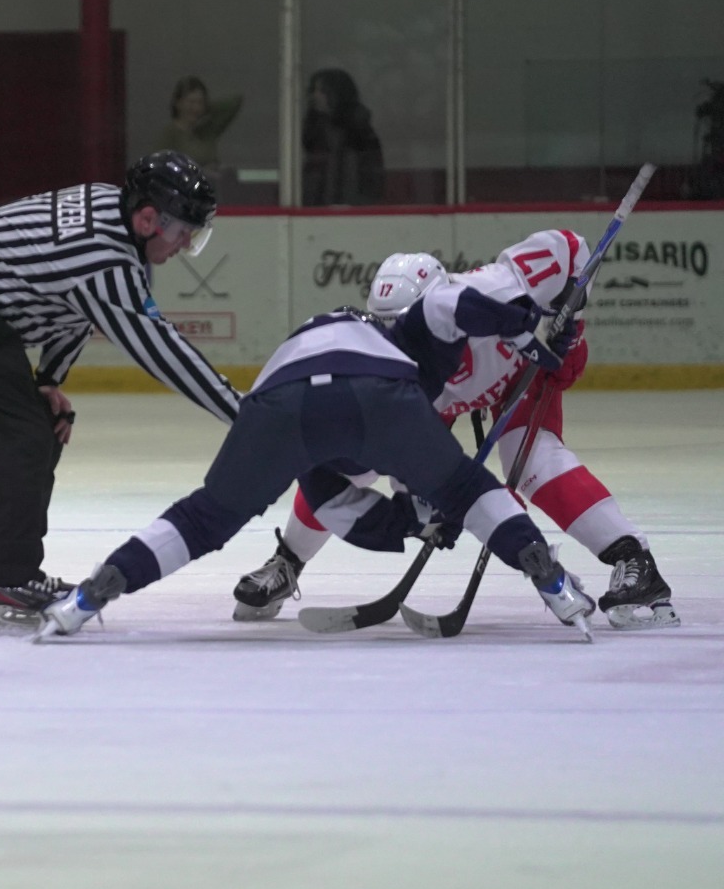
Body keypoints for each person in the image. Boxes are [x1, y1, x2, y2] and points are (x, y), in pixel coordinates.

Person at [36, 261, 599, 639]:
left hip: (278, 405)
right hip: (379, 394)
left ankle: (93, 593)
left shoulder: (330, 326)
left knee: (202, 518)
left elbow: (335, 506)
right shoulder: (409, 333)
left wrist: (406, 520)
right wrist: (521, 326)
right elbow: (453, 302)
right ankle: (550, 577)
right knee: (469, 489)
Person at [231, 239, 678, 630]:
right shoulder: (391, 371)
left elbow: (572, 247)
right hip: (437, 403)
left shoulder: (494, 289)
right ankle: (288, 561)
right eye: (385, 325)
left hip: (522, 375)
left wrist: (570, 322)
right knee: (353, 461)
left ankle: (634, 560)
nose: (397, 339)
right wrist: (429, 511)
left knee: (532, 461)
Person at [0, 150, 241, 636]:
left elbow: (71, 302)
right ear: (147, 219)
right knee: (16, 440)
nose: (184, 245)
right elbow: (163, 353)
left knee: (40, 427)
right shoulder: (103, 259)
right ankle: (1, 586)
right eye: (183, 232)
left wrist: (48, 380)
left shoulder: (109, 209)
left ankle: (13, 571)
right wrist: (247, 413)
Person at [301, 68, 383, 205]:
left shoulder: (361, 133)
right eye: (313, 90)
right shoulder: (313, 132)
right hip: (316, 210)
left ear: (337, 94)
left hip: (354, 212)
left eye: (322, 91)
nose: (315, 96)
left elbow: (372, 180)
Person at [154, 76, 242, 175]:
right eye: (191, 102)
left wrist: (207, 108)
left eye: (200, 103)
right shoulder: (171, 133)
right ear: (178, 103)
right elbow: (159, 169)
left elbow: (235, 102)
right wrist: (200, 170)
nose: (196, 108)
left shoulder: (205, 131)